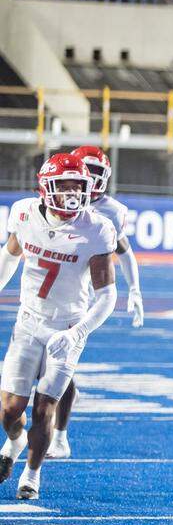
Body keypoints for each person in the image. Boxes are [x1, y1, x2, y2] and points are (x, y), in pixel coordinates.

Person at [0, 153, 118, 499]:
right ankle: (15, 441)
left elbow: (108, 296)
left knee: (44, 407)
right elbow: (9, 256)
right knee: (9, 409)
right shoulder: (23, 213)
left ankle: (32, 475)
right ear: (45, 187)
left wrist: (76, 333)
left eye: (77, 186)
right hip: (28, 321)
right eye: (63, 185)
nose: (71, 193)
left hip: (67, 327)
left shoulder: (96, 229)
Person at [46, 145, 145, 459]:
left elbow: (123, 250)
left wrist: (135, 290)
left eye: (97, 173)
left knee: (61, 367)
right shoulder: (54, 197)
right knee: (41, 370)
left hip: (81, 295)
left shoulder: (110, 211)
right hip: (47, 292)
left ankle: (59, 436)